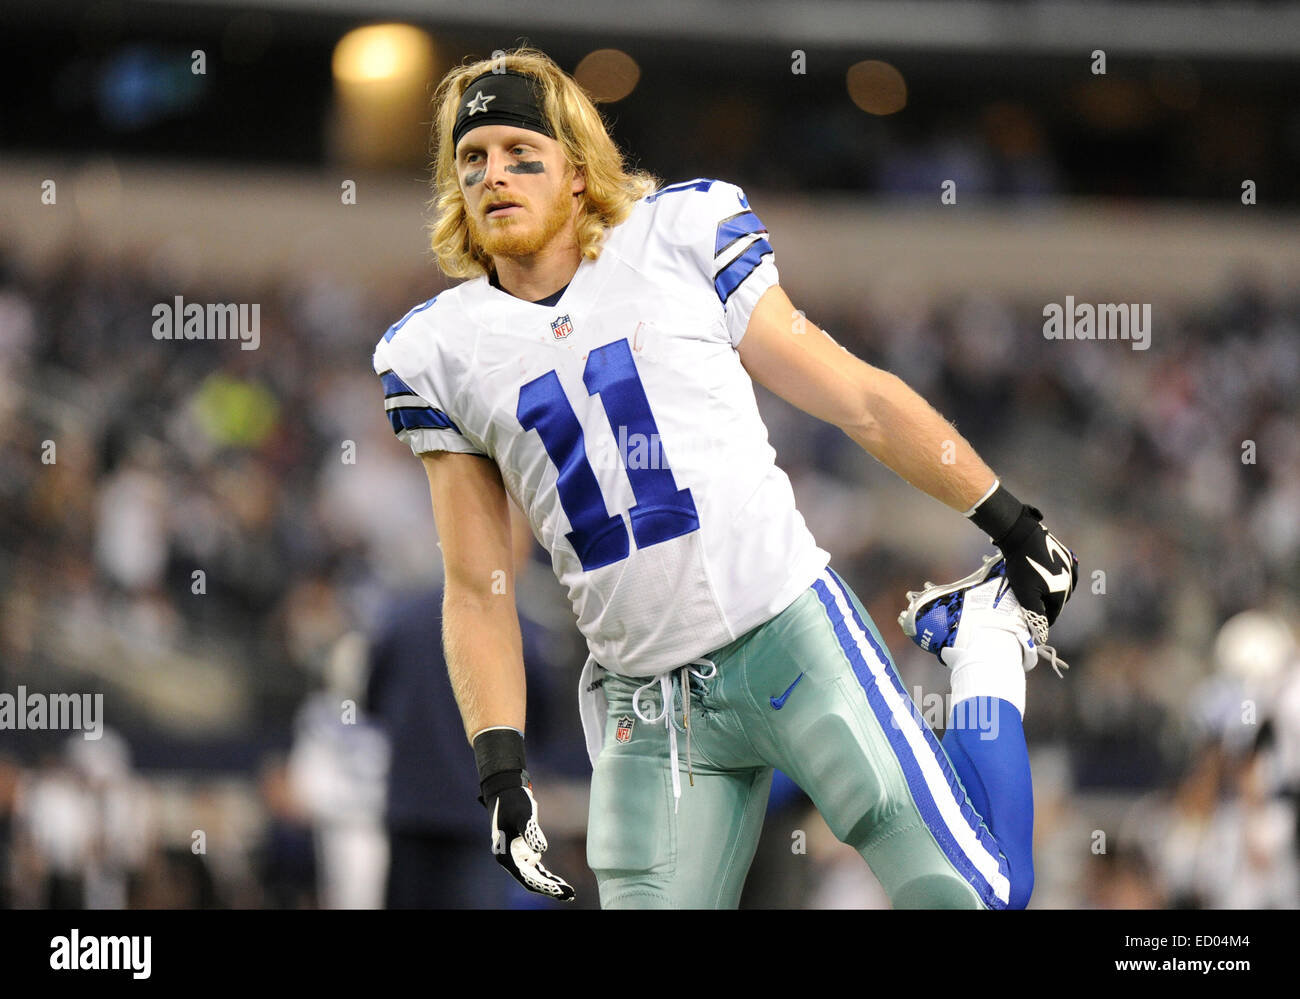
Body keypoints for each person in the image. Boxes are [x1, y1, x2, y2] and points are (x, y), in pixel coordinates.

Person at [371, 46, 1079, 909]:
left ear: (581, 174)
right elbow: (477, 585)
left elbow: (856, 397)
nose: (495, 175)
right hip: (647, 703)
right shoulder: (436, 350)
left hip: (784, 632)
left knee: (973, 897)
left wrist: (1009, 520)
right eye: (472, 158)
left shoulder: (679, 237)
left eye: (524, 153)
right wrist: (499, 766)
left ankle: (983, 642)